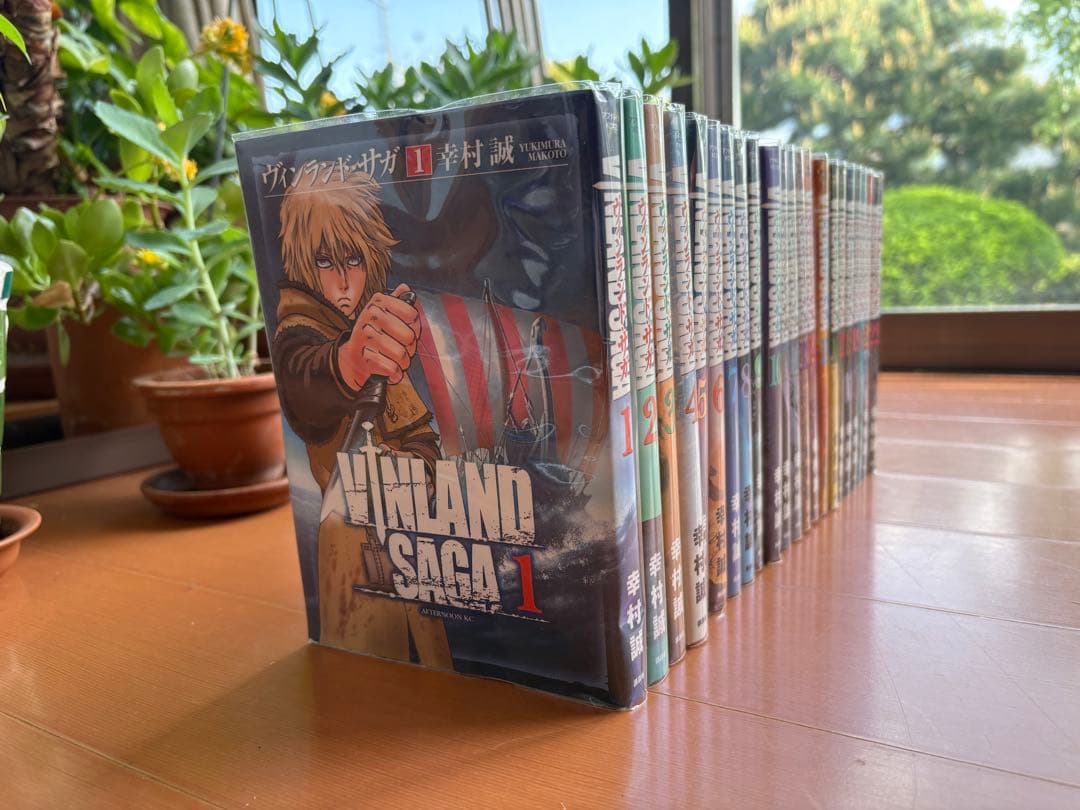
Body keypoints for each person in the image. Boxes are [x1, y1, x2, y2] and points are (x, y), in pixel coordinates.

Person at [272, 168, 451, 668]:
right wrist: (350, 362)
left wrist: (413, 469)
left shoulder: (373, 328)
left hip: (408, 539)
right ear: (304, 263)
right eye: (324, 261)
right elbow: (303, 385)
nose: (342, 279)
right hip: (350, 540)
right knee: (362, 671)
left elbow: (420, 436)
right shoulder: (299, 329)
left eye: (352, 259)